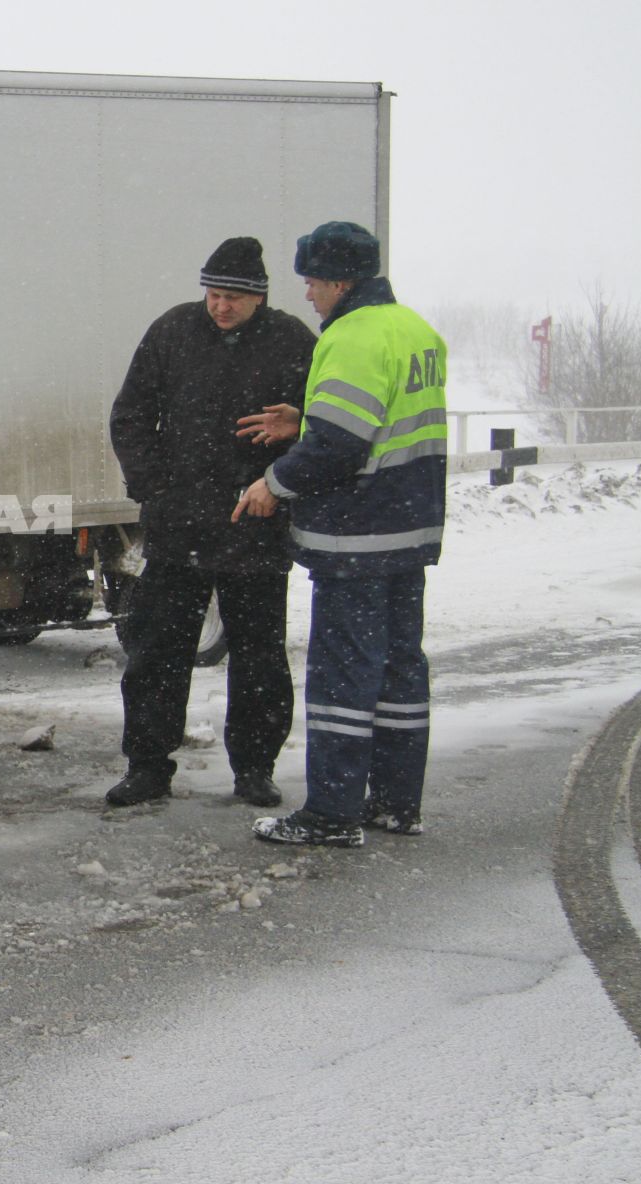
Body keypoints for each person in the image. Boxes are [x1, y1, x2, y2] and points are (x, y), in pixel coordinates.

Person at [233, 221, 447, 847]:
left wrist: (274, 482)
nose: (308, 296)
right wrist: (304, 419)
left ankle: (331, 813)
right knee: (400, 670)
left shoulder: (352, 336)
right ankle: (396, 802)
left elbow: (340, 447)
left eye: (312, 283)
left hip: (359, 535)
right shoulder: (414, 329)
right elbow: (383, 423)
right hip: (408, 528)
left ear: (338, 280)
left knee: (343, 674)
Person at [106, 237, 317, 808]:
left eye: (233, 297)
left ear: (260, 298)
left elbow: (324, 425)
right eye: (213, 294)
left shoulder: (293, 340)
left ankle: (254, 769)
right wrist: (153, 486)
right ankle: (147, 767)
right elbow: (129, 415)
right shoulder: (172, 331)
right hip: (180, 529)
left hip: (256, 525)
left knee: (260, 659)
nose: (220, 307)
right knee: (156, 653)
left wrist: (292, 443)